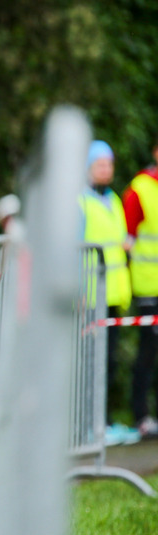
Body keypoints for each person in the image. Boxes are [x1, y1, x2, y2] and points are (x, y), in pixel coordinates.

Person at [80, 140, 138, 445]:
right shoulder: (80, 201)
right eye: (100, 164)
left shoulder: (114, 199)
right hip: (88, 295)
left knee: (109, 362)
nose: (106, 169)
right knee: (89, 362)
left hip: (113, 295)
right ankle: (86, 425)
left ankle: (102, 423)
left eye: (109, 164)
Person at [122, 134, 158, 440]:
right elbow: (128, 241)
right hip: (148, 285)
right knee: (148, 352)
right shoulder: (139, 190)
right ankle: (141, 416)